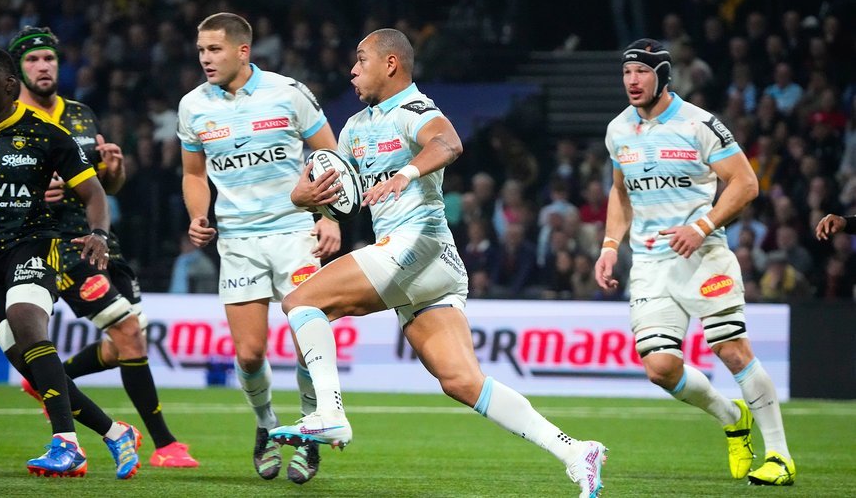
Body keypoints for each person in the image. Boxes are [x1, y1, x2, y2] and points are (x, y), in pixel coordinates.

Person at [269, 29, 608, 498]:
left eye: (361, 60)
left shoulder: (414, 109)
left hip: (417, 243)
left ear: (391, 64)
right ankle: (575, 451)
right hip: (433, 264)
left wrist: (406, 173)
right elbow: (337, 196)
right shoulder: (354, 128)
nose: (352, 70)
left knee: (302, 303)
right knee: (462, 382)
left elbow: (448, 143)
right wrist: (304, 199)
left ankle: (329, 413)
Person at [595, 39, 795, 485]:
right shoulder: (618, 130)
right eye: (627, 72)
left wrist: (701, 227)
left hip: (703, 257)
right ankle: (731, 417)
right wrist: (610, 246)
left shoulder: (699, 124)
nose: (632, 81)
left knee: (731, 349)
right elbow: (620, 191)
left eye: (642, 72)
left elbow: (745, 183)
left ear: (663, 76)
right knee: (660, 368)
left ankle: (780, 456)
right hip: (650, 264)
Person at [8, 26, 198, 468]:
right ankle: (165, 445)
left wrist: (113, 169)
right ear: (17, 70)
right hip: (49, 247)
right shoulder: (10, 120)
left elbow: (105, 187)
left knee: (128, 340)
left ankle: (50, 378)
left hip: (95, 238)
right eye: (33, 60)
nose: (43, 66)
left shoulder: (79, 114)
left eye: (49, 59)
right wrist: (35, 193)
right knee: (129, 334)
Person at [177, 12, 341, 484]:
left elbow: (330, 155)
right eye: (201, 50)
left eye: (214, 49)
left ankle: (309, 431)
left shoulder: (288, 93)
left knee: (308, 347)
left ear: (242, 51)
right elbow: (193, 174)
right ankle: (267, 424)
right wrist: (198, 215)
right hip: (239, 242)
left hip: (295, 235)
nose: (205, 58)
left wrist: (329, 217)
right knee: (249, 354)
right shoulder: (193, 105)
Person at [0, 46, 139, 478]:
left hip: (30, 245)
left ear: (9, 86)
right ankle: (116, 431)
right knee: (33, 368)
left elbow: (94, 192)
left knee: (26, 319)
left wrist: (99, 233)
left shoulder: (46, 134)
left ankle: (66, 444)